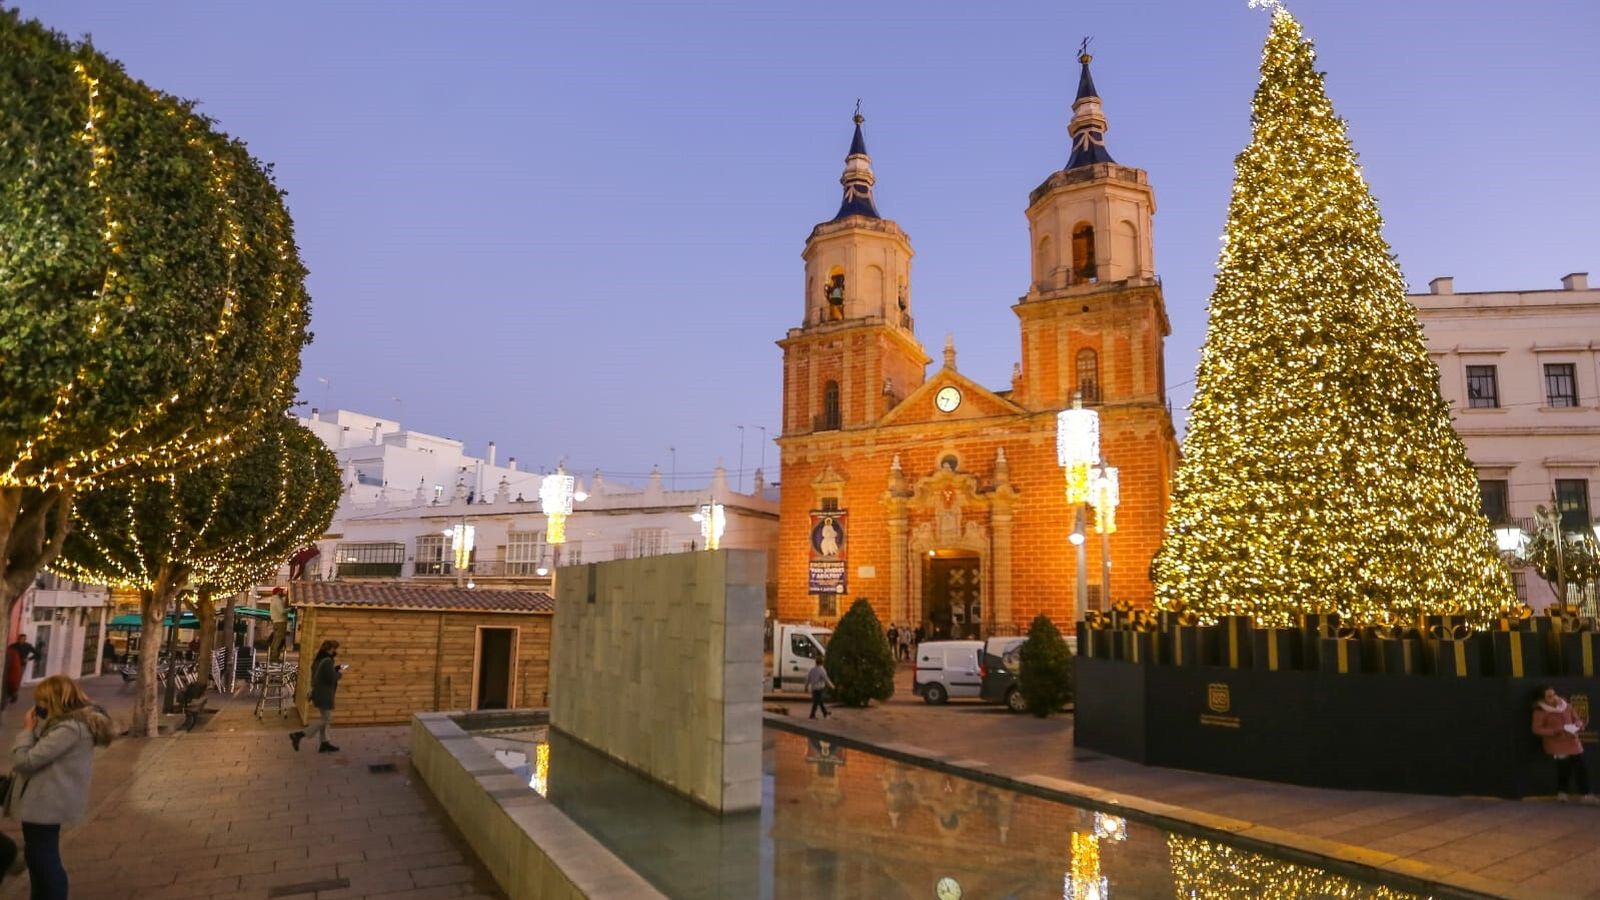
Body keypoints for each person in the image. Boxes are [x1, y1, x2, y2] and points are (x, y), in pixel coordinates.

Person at [6, 675, 115, 899]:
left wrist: (27, 730)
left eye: (42, 701)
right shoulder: (66, 725)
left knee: (43, 859)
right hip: (47, 800)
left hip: (46, 802)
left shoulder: (70, 729)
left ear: (54, 700)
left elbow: (26, 761)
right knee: (38, 857)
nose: (38, 706)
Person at [1532, 686, 1598, 804]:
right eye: (1549, 696)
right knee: (1564, 768)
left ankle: (1586, 795)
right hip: (1557, 743)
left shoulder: (1566, 705)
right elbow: (1537, 729)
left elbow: (1577, 720)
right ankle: (1562, 794)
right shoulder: (1540, 711)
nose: (1553, 697)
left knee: (1581, 767)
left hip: (1573, 741)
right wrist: (1555, 730)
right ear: (1542, 699)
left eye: (1554, 694)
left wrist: (1579, 724)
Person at [289, 640, 343, 753]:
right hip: (325, 694)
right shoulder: (328, 661)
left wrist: (334, 669)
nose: (335, 651)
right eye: (334, 649)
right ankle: (299, 734)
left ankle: (324, 743)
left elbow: (322, 674)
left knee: (325, 719)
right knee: (326, 719)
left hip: (318, 693)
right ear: (330, 649)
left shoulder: (318, 659)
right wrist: (339, 673)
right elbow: (330, 679)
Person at [3, 635, 39, 706]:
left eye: (22, 639)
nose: (21, 640)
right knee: (10, 678)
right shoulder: (13, 646)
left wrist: (28, 659)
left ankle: (14, 695)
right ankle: (10, 693)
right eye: (19, 639)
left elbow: (37, 654)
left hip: (21, 665)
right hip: (12, 664)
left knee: (17, 679)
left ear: (25, 640)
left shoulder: (28, 646)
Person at [805, 654, 834, 720]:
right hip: (819, 688)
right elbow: (826, 679)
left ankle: (825, 713)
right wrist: (831, 686)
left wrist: (806, 687)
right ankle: (812, 715)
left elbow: (808, 679)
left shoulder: (812, 670)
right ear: (822, 662)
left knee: (819, 701)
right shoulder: (822, 670)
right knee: (816, 702)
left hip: (813, 688)